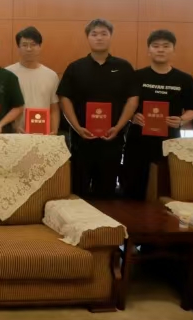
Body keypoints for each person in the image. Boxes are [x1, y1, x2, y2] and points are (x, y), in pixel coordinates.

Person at [57, 19, 137, 199]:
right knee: (78, 191)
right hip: (81, 140)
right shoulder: (75, 67)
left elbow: (133, 99)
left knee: (107, 193)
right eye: (94, 34)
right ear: (88, 38)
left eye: (103, 34)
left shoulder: (124, 67)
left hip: (113, 139)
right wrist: (77, 127)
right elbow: (64, 98)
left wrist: (118, 127)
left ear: (110, 36)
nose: (99, 38)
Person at [122, 30, 193, 200]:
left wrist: (181, 120)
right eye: (156, 46)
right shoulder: (137, 76)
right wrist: (132, 117)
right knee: (132, 189)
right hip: (138, 140)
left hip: (169, 141)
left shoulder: (184, 79)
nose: (161, 50)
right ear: (149, 50)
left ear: (173, 50)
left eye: (166, 46)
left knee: (165, 189)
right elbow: (125, 104)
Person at [6, 26, 60, 134]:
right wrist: (14, 126)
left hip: (44, 134)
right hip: (16, 134)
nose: (29, 49)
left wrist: (54, 130)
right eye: (24, 45)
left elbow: (54, 108)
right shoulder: (8, 73)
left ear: (40, 46)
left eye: (33, 44)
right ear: (18, 47)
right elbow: (4, 107)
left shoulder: (51, 75)